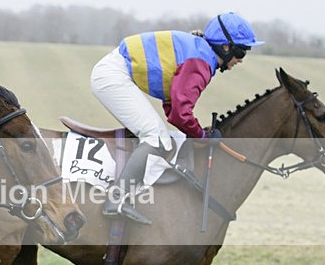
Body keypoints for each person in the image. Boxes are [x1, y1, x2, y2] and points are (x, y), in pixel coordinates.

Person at [90, 12, 264, 223]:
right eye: (241, 51)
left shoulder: (200, 53)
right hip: (113, 76)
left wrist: (197, 133)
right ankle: (117, 199)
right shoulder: (201, 62)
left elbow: (173, 108)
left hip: (112, 71)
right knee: (155, 137)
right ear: (226, 47)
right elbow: (181, 113)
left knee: (160, 135)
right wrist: (201, 135)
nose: (241, 60)